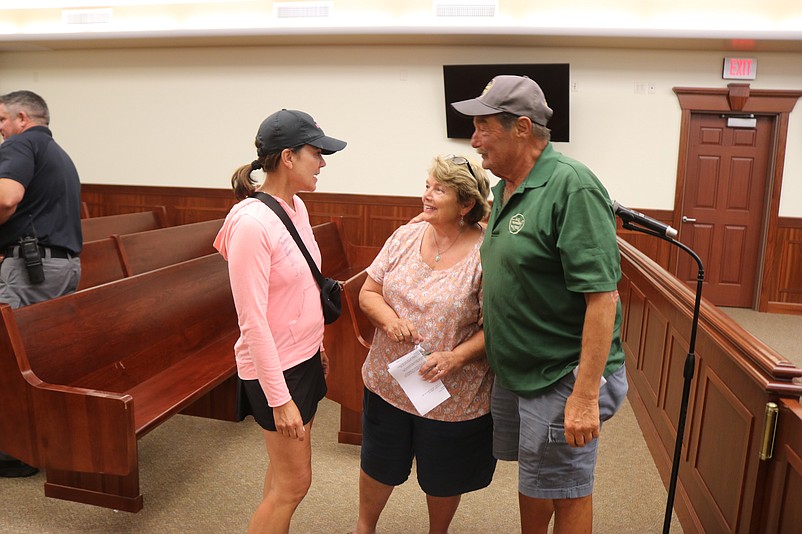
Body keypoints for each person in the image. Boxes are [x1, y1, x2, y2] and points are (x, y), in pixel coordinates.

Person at [450, 75, 628, 534]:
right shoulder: (506, 188)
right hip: (522, 370)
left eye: (483, 127)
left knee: (567, 486)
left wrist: (585, 398)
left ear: (522, 128)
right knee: (538, 477)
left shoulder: (573, 187)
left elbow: (602, 298)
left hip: (562, 374)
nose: (474, 140)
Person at [213, 109, 346, 534]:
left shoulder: (297, 206)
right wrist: (279, 399)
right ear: (288, 157)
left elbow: (301, 288)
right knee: (294, 484)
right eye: (317, 153)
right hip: (275, 371)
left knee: (282, 477)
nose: (323, 162)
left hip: (301, 356)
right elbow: (252, 322)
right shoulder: (251, 224)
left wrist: (316, 343)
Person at [354, 154, 494, 534]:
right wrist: (389, 319)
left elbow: (497, 328)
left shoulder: (487, 255)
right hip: (389, 383)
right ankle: (364, 528)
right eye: (427, 186)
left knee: (443, 476)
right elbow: (369, 292)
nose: (427, 196)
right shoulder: (405, 235)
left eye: (440, 189)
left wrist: (456, 357)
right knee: (379, 463)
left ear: (466, 204)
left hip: (450, 393)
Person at [0, 90, 82, 478]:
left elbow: (7, 197)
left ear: (20, 118)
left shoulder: (21, 143)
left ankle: (16, 452)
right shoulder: (59, 154)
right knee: (41, 356)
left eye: (1, 120)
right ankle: (43, 443)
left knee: (10, 359)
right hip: (61, 266)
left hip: (32, 268)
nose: (0, 129)